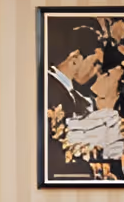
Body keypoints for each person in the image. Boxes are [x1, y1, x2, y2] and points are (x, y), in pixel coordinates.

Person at [44, 38, 103, 179]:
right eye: (95, 64)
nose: (96, 72)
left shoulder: (74, 95)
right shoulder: (49, 89)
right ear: (75, 59)